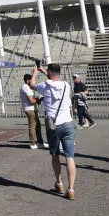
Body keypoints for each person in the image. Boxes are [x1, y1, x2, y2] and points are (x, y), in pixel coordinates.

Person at [32, 62, 76, 200]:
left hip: (54, 124)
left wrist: (35, 72)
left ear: (50, 72)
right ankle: (71, 189)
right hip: (68, 123)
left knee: (55, 154)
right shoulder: (66, 85)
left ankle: (60, 183)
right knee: (70, 157)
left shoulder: (45, 85)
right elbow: (54, 79)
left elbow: (32, 85)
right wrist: (45, 70)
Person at [20, 73, 45, 149]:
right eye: (32, 80)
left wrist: (37, 99)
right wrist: (38, 100)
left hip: (31, 109)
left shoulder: (26, 87)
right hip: (30, 110)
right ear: (28, 81)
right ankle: (33, 143)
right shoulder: (26, 87)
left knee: (38, 126)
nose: (33, 82)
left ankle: (40, 142)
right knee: (33, 126)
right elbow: (31, 100)